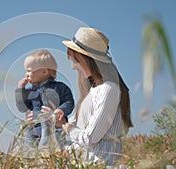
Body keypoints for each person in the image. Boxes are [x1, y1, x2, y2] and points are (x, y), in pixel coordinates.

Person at [40, 27, 133, 165]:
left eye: (76, 61)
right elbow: (79, 126)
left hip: (100, 164)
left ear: (91, 60)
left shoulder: (109, 90)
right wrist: (58, 119)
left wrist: (65, 126)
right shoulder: (93, 90)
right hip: (85, 163)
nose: (73, 67)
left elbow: (89, 138)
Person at [15, 49, 74, 149]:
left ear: (44, 71)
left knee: (57, 150)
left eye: (29, 70)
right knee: (32, 152)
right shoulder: (29, 91)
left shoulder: (59, 87)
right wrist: (20, 91)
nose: (26, 74)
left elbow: (69, 101)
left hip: (55, 128)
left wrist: (61, 110)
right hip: (35, 129)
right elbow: (22, 108)